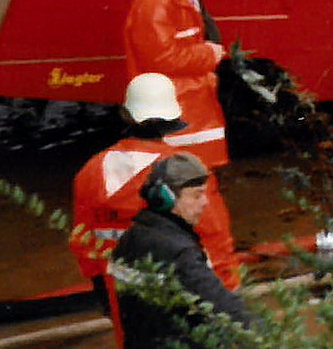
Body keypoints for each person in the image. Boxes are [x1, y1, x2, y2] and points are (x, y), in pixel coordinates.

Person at [108, 152, 253, 349]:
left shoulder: (131, 239)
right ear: (166, 197)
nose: (205, 202)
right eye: (197, 195)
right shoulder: (178, 252)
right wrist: (280, 343)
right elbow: (226, 309)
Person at [73, 73, 240, 302]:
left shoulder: (90, 172)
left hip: (123, 294)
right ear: (173, 117)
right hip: (180, 293)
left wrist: (104, 292)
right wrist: (229, 294)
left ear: (126, 115)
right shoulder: (186, 173)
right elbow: (215, 238)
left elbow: (83, 241)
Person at [123, 0, 230, 168]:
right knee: (181, 173)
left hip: (187, 98)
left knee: (192, 173)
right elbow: (161, 59)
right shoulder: (154, 2)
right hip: (178, 103)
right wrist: (208, 54)